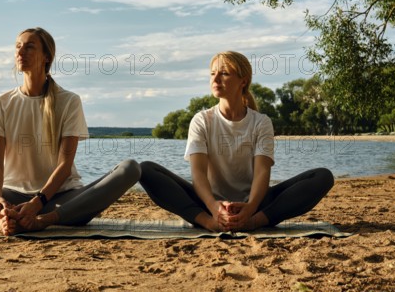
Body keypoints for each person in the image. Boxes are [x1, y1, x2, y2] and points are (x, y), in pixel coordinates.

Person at [0, 27, 141, 235]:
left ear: (47, 57)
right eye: (18, 46)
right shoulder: (2, 102)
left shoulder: (69, 101)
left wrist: (38, 204)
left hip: (59, 200)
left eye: (29, 47)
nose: (20, 51)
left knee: (130, 168)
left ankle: (45, 221)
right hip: (12, 198)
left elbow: (65, 166)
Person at [139, 51, 334, 232]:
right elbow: (198, 173)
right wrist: (214, 209)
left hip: (257, 205)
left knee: (322, 176)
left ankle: (252, 223)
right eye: (212, 73)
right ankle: (209, 223)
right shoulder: (202, 120)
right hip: (208, 204)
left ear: (243, 80)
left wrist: (250, 211)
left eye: (223, 73)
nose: (215, 79)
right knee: (145, 169)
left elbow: (262, 173)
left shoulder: (261, 122)